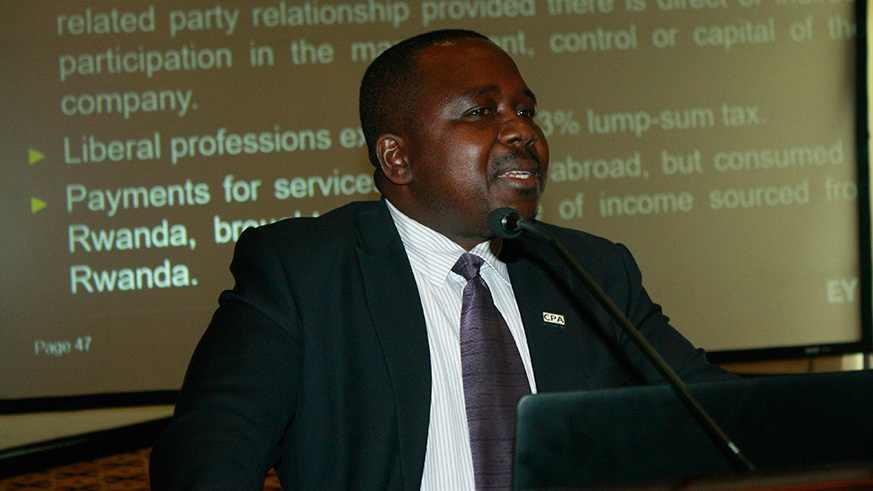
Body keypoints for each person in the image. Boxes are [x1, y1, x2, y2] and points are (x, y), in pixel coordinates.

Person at [149, 29, 734, 490]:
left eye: (526, 110)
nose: (522, 132)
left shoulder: (589, 269)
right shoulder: (304, 271)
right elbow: (212, 450)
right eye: (482, 112)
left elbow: (719, 415)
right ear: (397, 158)